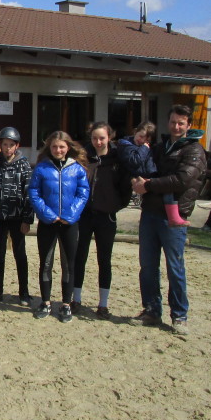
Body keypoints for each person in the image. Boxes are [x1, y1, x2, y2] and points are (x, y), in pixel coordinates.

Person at [130, 104, 207, 336]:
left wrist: (149, 185)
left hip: (174, 216)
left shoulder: (194, 150)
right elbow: (146, 168)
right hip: (151, 212)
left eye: (181, 123)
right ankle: (152, 309)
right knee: (148, 266)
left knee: (175, 267)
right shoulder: (161, 147)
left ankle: (179, 315)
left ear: (189, 125)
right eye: (173, 122)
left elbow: (182, 179)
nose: (176, 126)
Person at [28, 130, 90, 322]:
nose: (58, 150)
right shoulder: (41, 168)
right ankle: (45, 302)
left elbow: (83, 193)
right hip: (48, 222)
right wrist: (47, 214)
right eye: (54, 146)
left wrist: (70, 214)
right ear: (49, 147)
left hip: (69, 223)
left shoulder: (77, 169)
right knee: (46, 263)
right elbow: (34, 193)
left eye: (62, 147)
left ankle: (65, 304)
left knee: (68, 264)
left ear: (68, 148)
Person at [72, 122, 131, 319]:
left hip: (106, 216)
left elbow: (125, 189)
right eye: (95, 138)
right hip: (85, 215)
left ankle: (103, 303)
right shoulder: (83, 158)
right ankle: (76, 299)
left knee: (104, 260)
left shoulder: (117, 159)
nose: (98, 142)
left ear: (109, 138)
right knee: (80, 257)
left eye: (102, 138)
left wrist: (113, 205)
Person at [0, 127, 34, 305]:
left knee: (20, 254)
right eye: (5, 144)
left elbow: (29, 193)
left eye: (11, 145)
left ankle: (24, 292)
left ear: (17, 146)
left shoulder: (24, 164)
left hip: (17, 217)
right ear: (0, 145)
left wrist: (27, 219)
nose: (7, 148)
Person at [117, 121, 189, 227]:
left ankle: (173, 216)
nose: (142, 141)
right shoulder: (126, 145)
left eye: (146, 139)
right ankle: (172, 217)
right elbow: (135, 161)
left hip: (149, 174)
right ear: (135, 131)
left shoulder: (145, 147)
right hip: (138, 176)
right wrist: (145, 148)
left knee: (167, 188)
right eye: (141, 136)